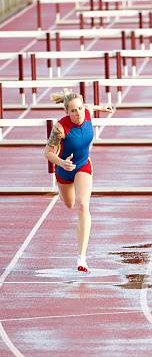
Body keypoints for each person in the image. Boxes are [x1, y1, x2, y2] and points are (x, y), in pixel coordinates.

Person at [44, 89, 112, 272]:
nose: (78, 113)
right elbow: (47, 153)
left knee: (83, 205)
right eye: (73, 111)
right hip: (64, 169)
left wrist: (102, 107)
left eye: (80, 109)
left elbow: (91, 106)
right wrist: (61, 163)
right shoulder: (60, 128)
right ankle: (67, 187)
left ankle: (81, 258)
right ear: (67, 112)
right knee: (70, 203)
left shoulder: (87, 112)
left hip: (83, 165)